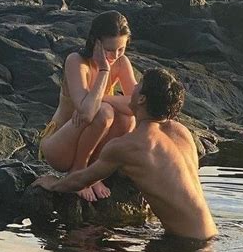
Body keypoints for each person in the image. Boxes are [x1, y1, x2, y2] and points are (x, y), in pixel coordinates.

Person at [34, 68, 218, 241]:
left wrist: (53, 184)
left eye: (138, 85)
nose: (133, 88)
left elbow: (80, 181)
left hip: (184, 244)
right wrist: (102, 99)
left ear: (141, 99)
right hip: (210, 234)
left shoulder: (129, 146)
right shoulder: (182, 132)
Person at [38, 10, 137, 202]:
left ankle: (94, 172)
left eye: (121, 49)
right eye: (109, 50)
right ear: (95, 42)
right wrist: (103, 70)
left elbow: (136, 106)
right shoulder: (76, 61)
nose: (115, 56)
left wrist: (105, 98)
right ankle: (79, 171)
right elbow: (86, 112)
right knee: (104, 112)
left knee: (126, 117)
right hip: (60, 146)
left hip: (91, 143)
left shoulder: (121, 62)